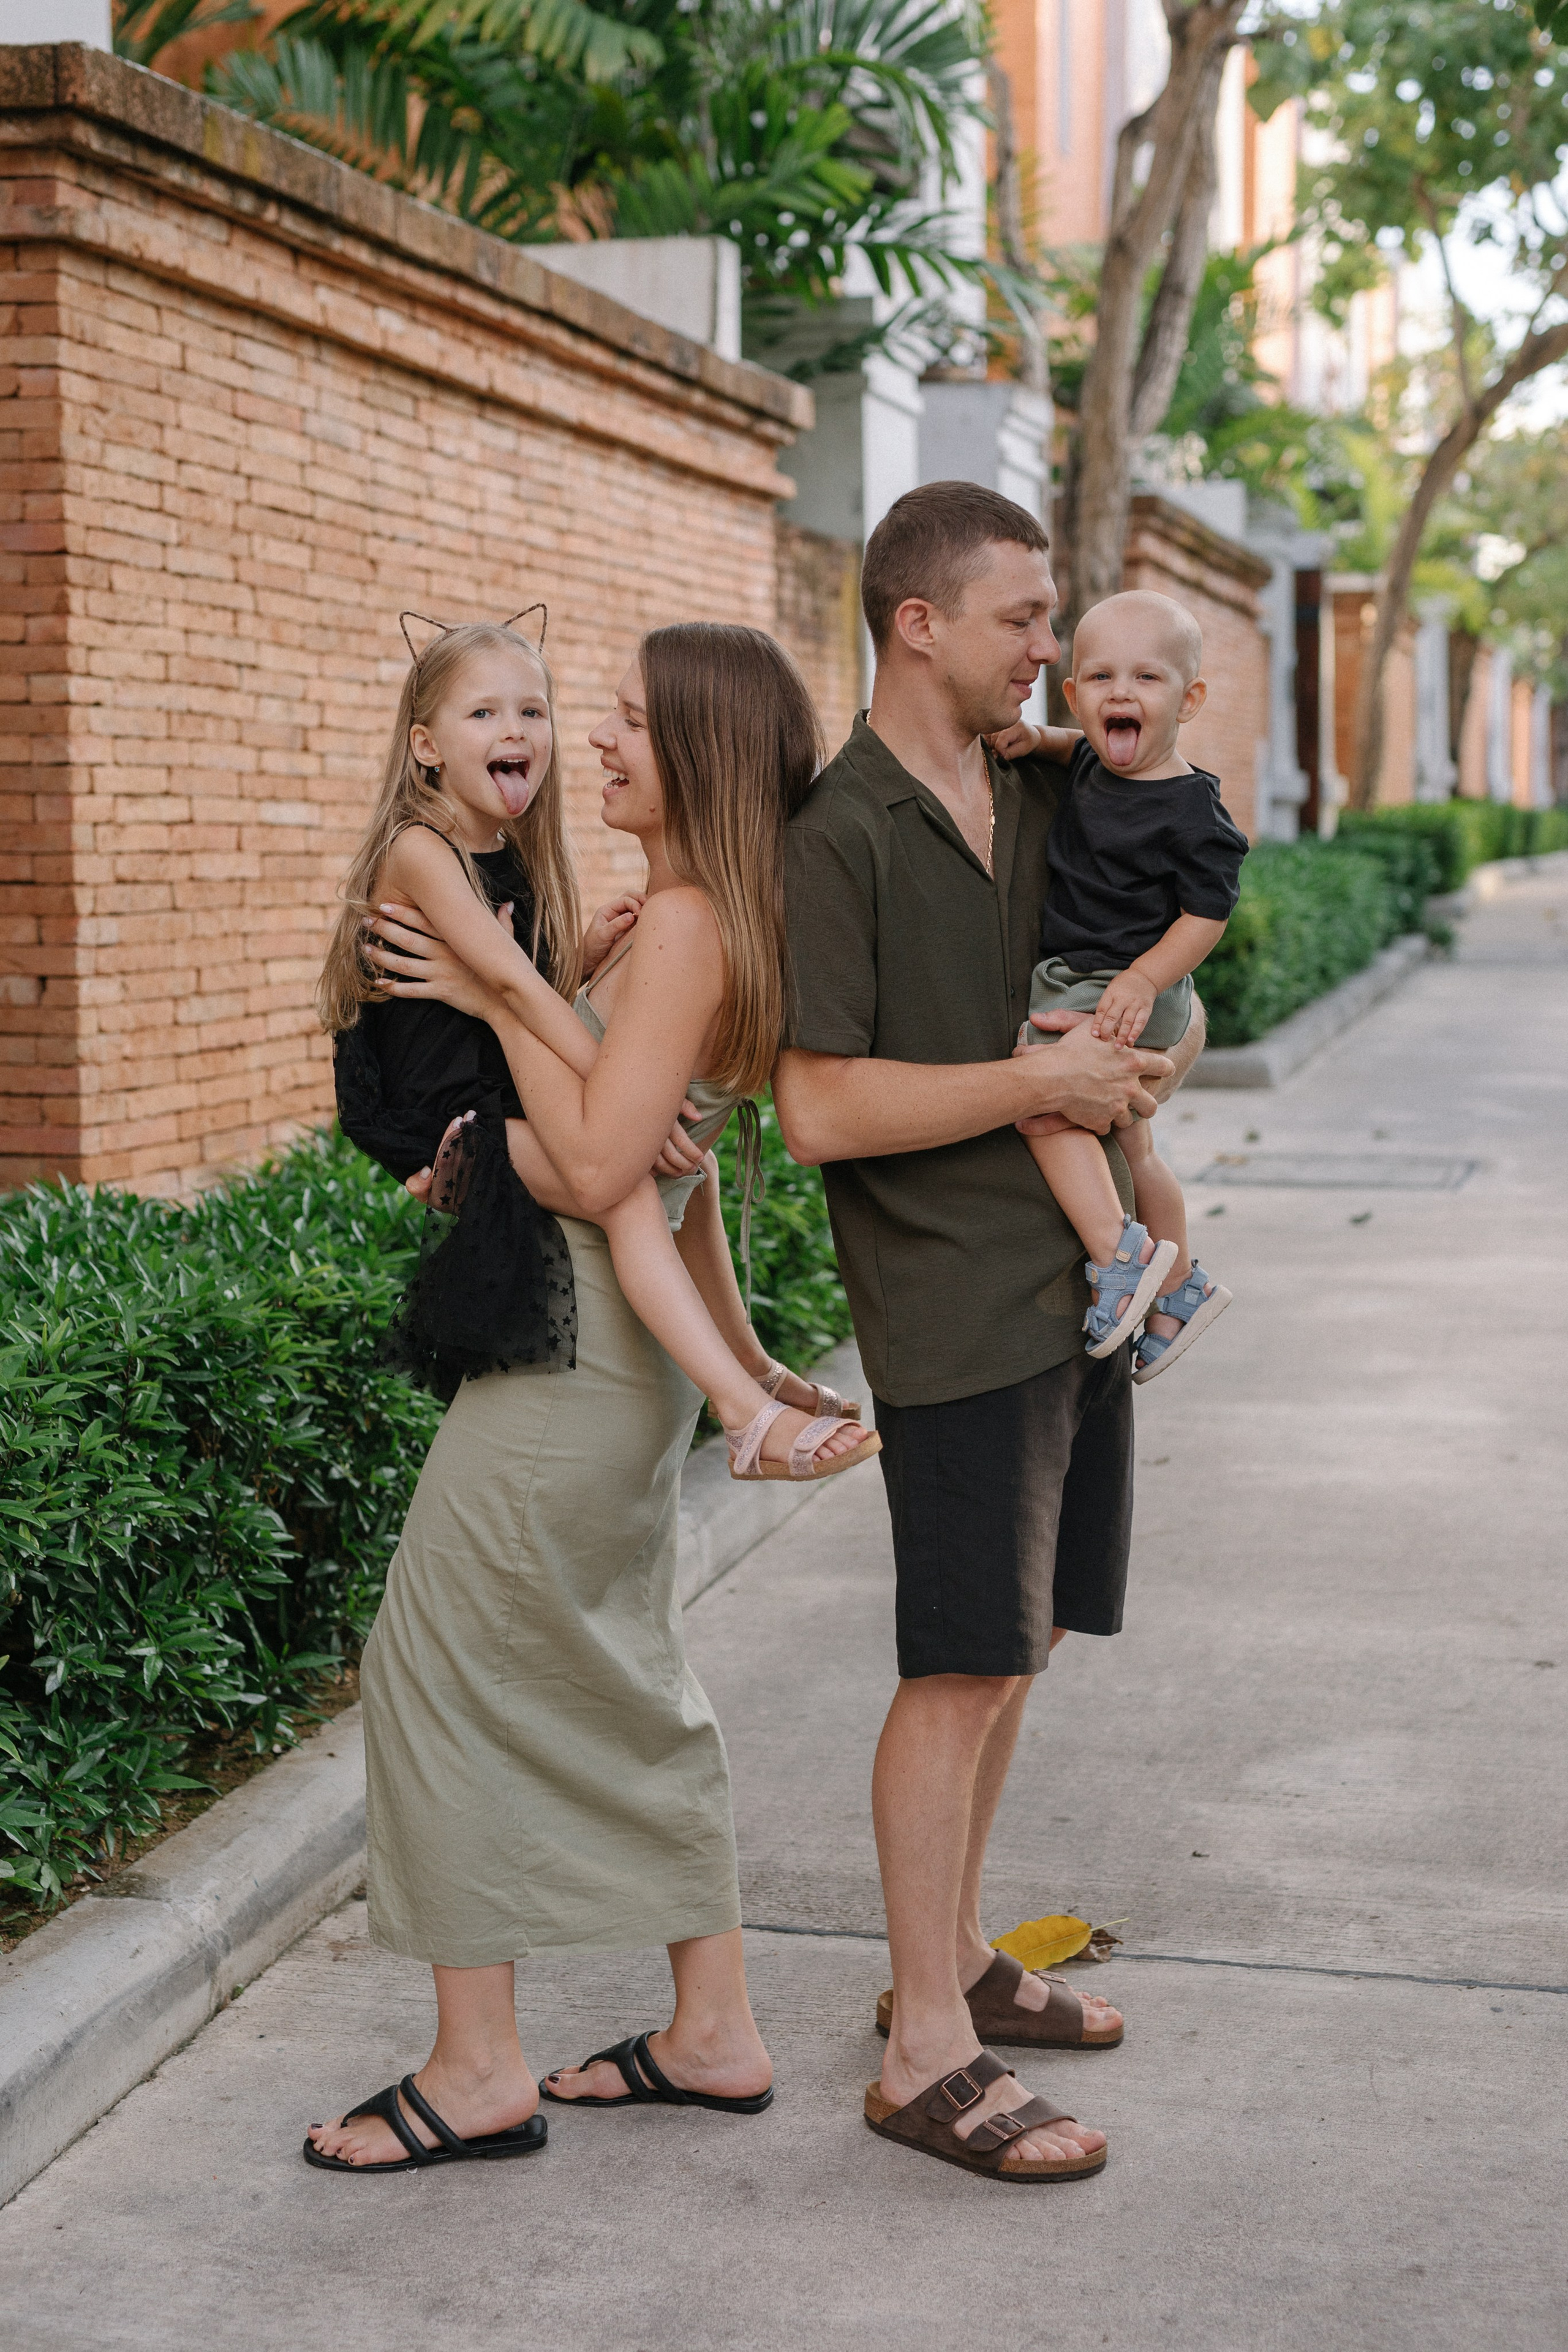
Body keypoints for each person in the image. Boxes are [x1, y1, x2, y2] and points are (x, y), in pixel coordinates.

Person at [304, 622, 854, 2175]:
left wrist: (496, 999)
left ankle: (477, 2069)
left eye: (618, 721)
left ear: (697, 754)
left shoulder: (672, 925)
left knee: (431, 1665)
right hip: (617, 1355)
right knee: (616, 1673)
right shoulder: (698, 919)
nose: (592, 742)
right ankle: (711, 2029)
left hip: (573, 1356)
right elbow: (662, 1187)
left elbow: (608, 1169)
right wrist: (736, 1368)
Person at [772, 483, 1206, 2184]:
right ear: (919, 623)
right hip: (952, 1312)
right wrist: (1041, 1084)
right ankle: (921, 2051)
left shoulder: (1040, 792)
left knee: (1014, 1650)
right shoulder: (845, 830)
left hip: (1072, 1289)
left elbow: (1151, 948)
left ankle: (952, 1960)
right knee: (953, 1666)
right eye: (1025, 617)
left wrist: (1142, 1085)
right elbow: (815, 1106)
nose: (1054, 645)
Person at [321, 611, 873, 1478]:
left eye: (532, 713)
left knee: (689, 1168)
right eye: (485, 716)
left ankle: (753, 1373)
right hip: (437, 1104)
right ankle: (742, 1410)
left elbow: (510, 988)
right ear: (424, 747)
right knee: (635, 1193)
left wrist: (570, 969)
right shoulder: (423, 848)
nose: (563, 734)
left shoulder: (546, 868)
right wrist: (618, 1086)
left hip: (482, 1098)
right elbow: (503, 989)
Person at [987, 587, 1244, 1380]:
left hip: (1123, 984)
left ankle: (1120, 1254)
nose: (1121, 694)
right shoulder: (1095, 755)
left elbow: (1209, 913)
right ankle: (1180, 1284)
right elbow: (1075, 749)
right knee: (1134, 1142)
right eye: (1099, 679)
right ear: (1075, 696)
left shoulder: (1193, 806)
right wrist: (1037, 738)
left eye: (1148, 679)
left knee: (1040, 1103)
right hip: (1091, 976)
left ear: (1190, 699)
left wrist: (1144, 976)